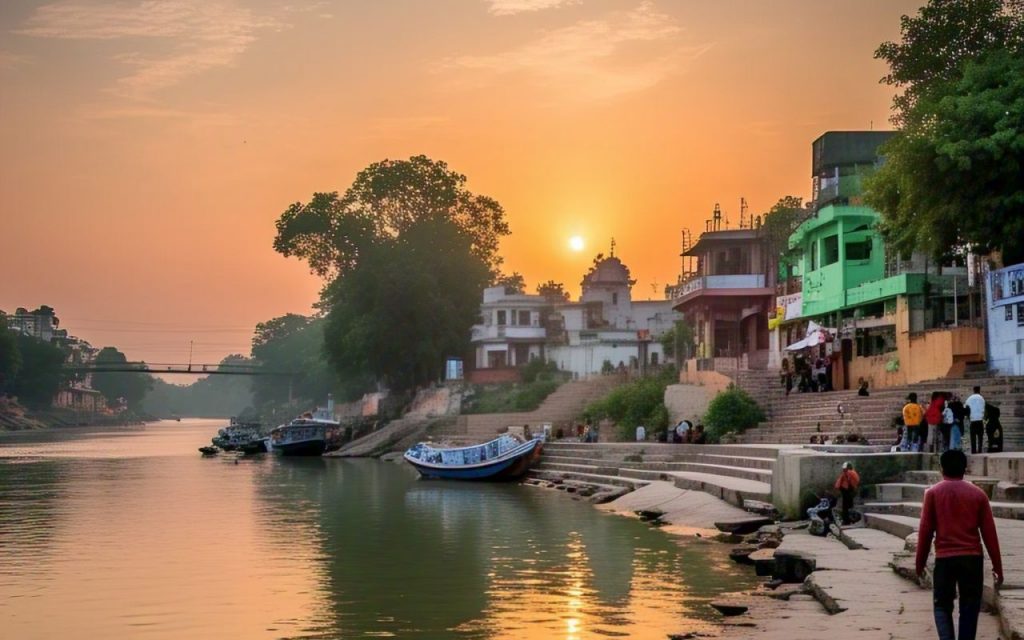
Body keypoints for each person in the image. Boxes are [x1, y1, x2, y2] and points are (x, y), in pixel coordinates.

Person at [916, 449, 1003, 640]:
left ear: (941, 469)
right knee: (970, 606)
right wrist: (998, 567)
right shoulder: (978, 495)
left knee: (942, 605)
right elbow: (989, 535)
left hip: (945, 559)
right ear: (966, 468)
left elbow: (925, 532)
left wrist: (919, 564)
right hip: (972, 558)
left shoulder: (933, 494)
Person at [965, 386, 986, 454]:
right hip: (980, 420)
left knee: (973, 437)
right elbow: (984, 408)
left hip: (973, 420)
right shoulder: (982, 398)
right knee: (980, 437)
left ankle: (973, 451)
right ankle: (979, 450)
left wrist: (968, 416)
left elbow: (966, 408)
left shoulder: (969, 398)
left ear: (973, 390)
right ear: (979, 390)